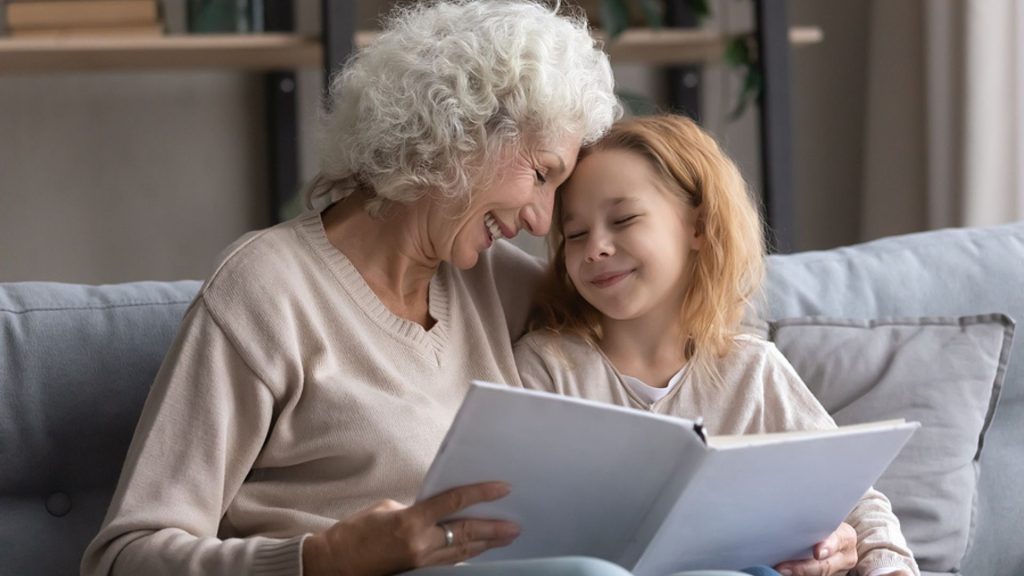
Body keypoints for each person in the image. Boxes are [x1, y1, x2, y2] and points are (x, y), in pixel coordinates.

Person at [80, 2, 626, 575]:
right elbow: (123, 557)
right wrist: (324, 558)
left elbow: (655, 343)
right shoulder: (266, 290)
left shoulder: (501, 284)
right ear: (459, 131)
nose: (543, 222)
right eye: (541, 175)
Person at [514, 115, 921, 576]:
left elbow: (854, 496)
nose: (596, 248)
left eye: (623, 219)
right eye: (576, 234)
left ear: (699, 227)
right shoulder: (547, 369)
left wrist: (878, 563)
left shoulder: (751, 370)